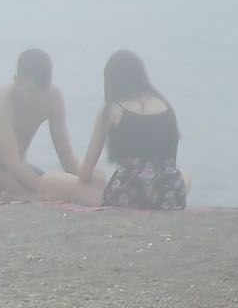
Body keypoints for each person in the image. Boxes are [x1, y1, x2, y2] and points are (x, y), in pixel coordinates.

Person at [0, 48, 83, 201]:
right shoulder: (2, 103)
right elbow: (12, 162)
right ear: (17, 80)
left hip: (19, 175)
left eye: (43, 92)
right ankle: (32, 195)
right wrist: (45, 190)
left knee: (58, 181)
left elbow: (65, 154)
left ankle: (25, 195)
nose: (36, 98)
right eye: (31, 92)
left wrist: (82, 180)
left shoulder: (53, 99)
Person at [72, 50, 190, 210]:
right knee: (185, 176)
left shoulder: (111, 110)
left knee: (50, 181)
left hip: (127, 195)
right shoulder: (165, 106)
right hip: (166, 195)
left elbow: (85, 174)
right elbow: (170, 164)